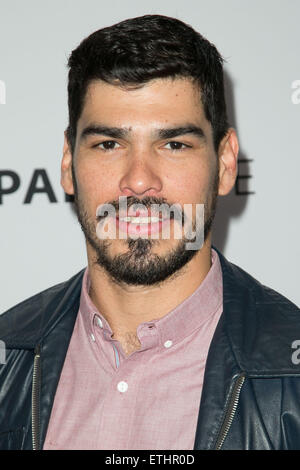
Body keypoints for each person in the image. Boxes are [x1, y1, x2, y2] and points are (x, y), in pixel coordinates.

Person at [0, 14, 299, 451]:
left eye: (174, 144)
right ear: (68, 164)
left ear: (227, 163)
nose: (139, 181)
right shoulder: (9, 357)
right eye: (109, 144)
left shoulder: (289, 375)